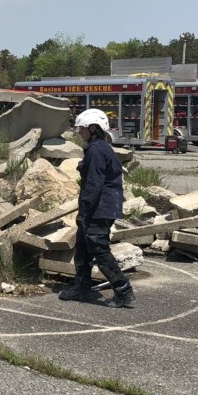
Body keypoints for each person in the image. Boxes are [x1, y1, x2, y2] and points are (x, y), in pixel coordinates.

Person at [59, 109, 135, 308]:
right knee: (83, 249)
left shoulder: (96, 150)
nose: (79, 133)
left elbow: (94, 184)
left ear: (93, 128)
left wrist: (84, 212)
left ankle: (123, 290)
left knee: (99, 250)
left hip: (100, 209)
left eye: (82, 129)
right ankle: (81, 288)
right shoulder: (99, 147)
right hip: (100, 206)